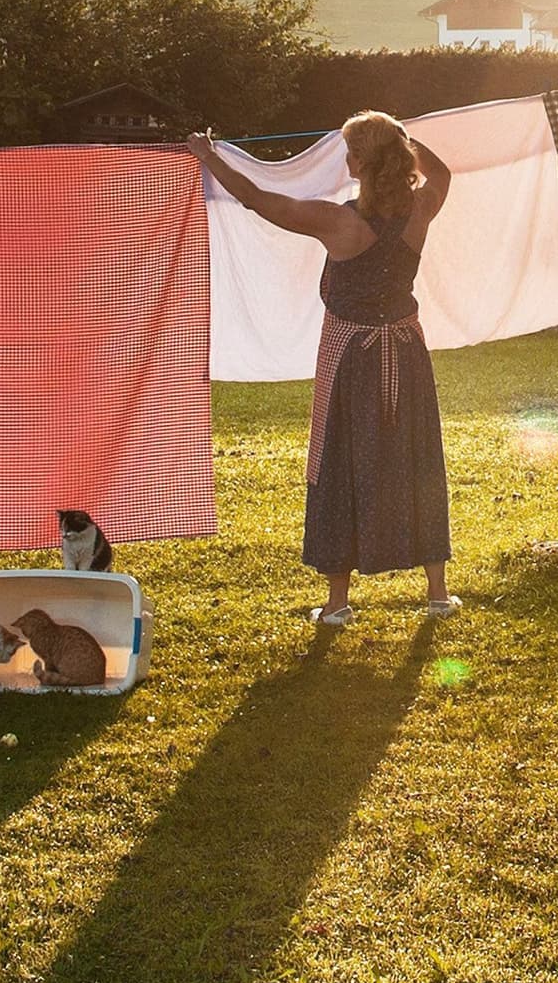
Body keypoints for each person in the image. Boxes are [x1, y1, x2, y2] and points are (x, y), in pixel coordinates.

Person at [194, 112, 459, 624]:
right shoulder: (420, 209)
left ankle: (338, 604)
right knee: (418, 460)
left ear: (361, 163)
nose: (346, 159)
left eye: (351, 151)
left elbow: (256, 199)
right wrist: (403, 138)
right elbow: (442, 174)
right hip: (406, 354)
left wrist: (208, 156)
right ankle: (437, 595)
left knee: (340, 464)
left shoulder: (338, 222)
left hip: (353, 361)